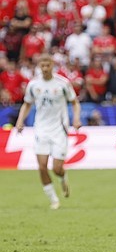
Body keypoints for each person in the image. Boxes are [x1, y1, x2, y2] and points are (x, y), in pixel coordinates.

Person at [15, 53, 81, 209]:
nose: (45, 69)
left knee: (56, 168)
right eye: (42, 66)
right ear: (39, 66)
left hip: (59, 129)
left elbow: (75, 102)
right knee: (42, 166)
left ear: (52, 65)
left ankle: (63, 177)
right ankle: (54, 199)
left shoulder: (62, 83)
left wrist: (76, 119)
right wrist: (19, 121)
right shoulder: (33, 84)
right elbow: (27, 104)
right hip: (41, 129)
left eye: (48, 65)